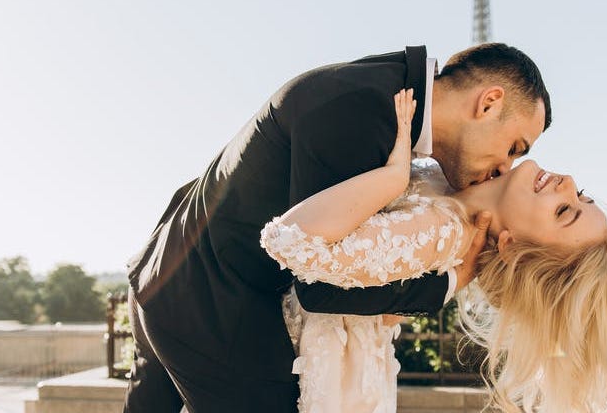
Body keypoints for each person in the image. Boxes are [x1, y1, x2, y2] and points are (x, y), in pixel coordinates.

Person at [124, 43, 550, 412]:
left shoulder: (381, 92)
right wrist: (448, 283)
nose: (504, 168)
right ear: (489, 102)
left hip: (167, 268)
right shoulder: (364, 113)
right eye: (513, 147)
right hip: (209, 305)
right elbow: (321, 289)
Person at [262, 89, 607, 413]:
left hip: (274, 352)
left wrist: (392, 177)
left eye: (564, 211)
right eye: (581, 196)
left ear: (513, 246)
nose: (568, 185)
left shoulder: (445, 232)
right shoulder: (454, 190)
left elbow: (293, 241)